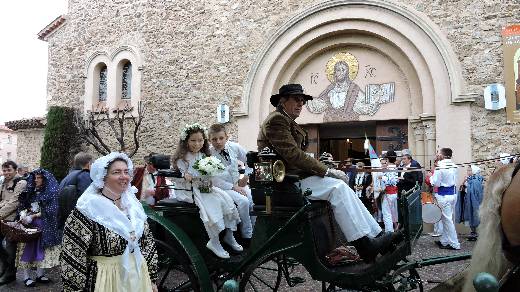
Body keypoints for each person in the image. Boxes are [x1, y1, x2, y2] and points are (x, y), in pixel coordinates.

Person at [258, 84, 397, 263]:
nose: (301, 104)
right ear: (283, 101)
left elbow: (296, 156)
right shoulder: (277, 120)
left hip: (294, 178)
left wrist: (323, 166)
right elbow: (293, 155)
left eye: (303, 100)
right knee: (337, 188)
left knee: (342, 188)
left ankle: (376, 236)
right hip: (284, 182)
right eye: (296, 99)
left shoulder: (287, 121)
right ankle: (365, 245)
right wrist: (326, 170)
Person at [60, 152, 158, 292]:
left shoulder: (133, 206)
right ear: (102, 176)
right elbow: (73, 254)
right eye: (116, 172)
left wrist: (152, 278)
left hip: (138, 276)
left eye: (126, 171)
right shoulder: (87, 209)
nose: (124, 176)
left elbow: (147, 243)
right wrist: (74, 289)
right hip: (105, 280)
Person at [173, 123, 242, 259]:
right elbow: (173, 175)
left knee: (225, 199)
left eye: (200, 140)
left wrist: (211, 174)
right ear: (186, 141)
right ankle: (214, 241)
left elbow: (207, 173)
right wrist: (183, 175)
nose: (197, 144)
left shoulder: (203, 155)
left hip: (203, 186)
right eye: (193, 140)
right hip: (188, 190)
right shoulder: (182, 158)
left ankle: (229, 234)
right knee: (212, 204)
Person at [208, 123, 255, 242]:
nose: (218, 141)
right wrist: (233, 187)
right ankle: (247, 235)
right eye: (214, 139)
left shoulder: (235, 147)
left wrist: (246, 176)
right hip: (222, 187)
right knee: (243, 202)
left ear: (226, 137)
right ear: (209, 139)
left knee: (253, 199)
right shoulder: (208, 154)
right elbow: (213, 179)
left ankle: (255, 231)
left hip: (237, 184)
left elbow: (250, 161)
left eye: (221, 138)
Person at [16, 168, 61, 287]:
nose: (36, 180)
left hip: (44, 226)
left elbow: (52, 209)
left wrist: (35, 215)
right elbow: (23, 205)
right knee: (27, 250)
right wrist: (23, 213)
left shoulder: (50, 192)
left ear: (45, 179)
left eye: (39, 177)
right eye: (35, 177)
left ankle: (40, 274)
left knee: (42, 250)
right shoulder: (30, 190)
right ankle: (26, 276)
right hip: (29, 226)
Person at [0, 160, 27, 285]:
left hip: (13, 221)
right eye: (4, 170)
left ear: (15, 170)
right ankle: (4, 266)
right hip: (2, 219)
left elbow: (14, 202)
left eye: (9, 170)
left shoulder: (21, 182)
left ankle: (10, 274)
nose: (6, 173)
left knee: (11, 247)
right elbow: (3, 200)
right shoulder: (4, 182)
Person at [429, 148, 460, 250]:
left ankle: (455, 244)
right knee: (447, 218)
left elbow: (436, 183)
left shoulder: (440, 167)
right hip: (453, 194)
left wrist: (430, 177)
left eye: (439, 153)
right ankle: (445, 241)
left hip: (443, 195)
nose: (437, 155)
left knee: (447, 220)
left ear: (442, 155)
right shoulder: (455, 166)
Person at [58, 152, 93, 229]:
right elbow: (87, 200)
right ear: (88, 164)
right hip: (78, 222)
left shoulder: (67, 177)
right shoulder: (84, 175)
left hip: (65, 220)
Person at [456, 165, 484, 241]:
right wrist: (464, 182)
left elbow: (476, 191)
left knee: (475, 215)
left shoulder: (476, 180)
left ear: (474, 171)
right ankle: (473, 232)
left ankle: (478, 233)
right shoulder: (469, 179)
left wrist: (467, 186)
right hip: (468, 201)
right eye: (467, 170)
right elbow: (462, 188)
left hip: (474, 201)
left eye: (470, 170)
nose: (468, 172)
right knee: (469, 215)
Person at [380, 151, 399, 232]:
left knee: (387, 213)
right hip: (392, 193)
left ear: (387, 159)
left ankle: (389, 232)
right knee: (390, 212)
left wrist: (382, 177)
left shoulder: (391, 168)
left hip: (390, 193)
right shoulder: (393, 167)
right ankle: (390, 230)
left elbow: (392, 181)